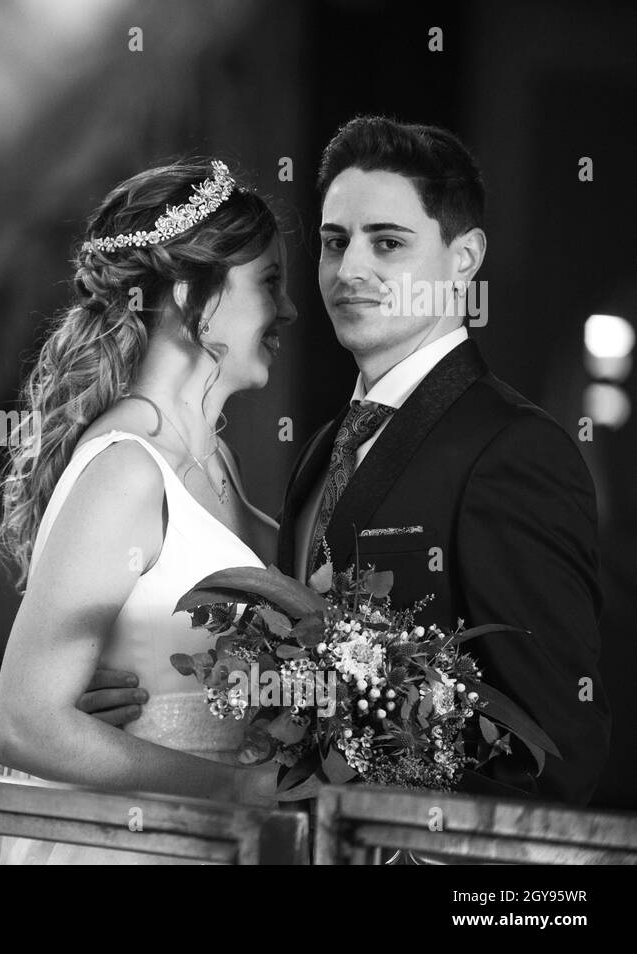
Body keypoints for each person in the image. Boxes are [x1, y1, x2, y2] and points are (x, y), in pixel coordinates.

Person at [85, 117, 611, 811]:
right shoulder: (324, 448)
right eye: (335, 243)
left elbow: (558, 758)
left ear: (463, 258)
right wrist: (141, 705)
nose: (350, 270)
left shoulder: (515, 452)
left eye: (387, 243)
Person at [0, 158, 298, 864]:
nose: (289, 311)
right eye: (270, 284)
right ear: (194, 297)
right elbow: (24, 724)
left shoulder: (214, 460)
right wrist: (244, 790)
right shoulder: (128, 470)